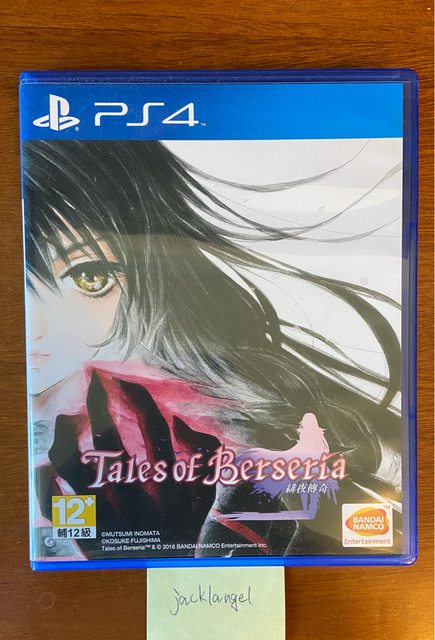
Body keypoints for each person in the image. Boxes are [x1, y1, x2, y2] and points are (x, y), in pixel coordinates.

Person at [22, 139, 403, 560]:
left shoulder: (208, 424)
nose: (35, 328)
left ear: (151, 277)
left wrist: (175, 543)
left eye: (89, 277)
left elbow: (369, 536)